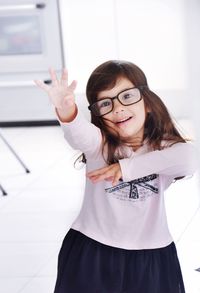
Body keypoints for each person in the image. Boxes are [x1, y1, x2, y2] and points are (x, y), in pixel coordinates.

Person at [35, 60, 197, 293]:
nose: (118, 108)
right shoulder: (98, 144)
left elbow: (190, 159)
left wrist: (126, 168)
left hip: (152, 254)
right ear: (99, 115)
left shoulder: (164, 149)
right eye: (105, 103)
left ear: (148, 103)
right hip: (93, 251)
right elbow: (78, 134)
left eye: (127, 96)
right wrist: (66, 110)